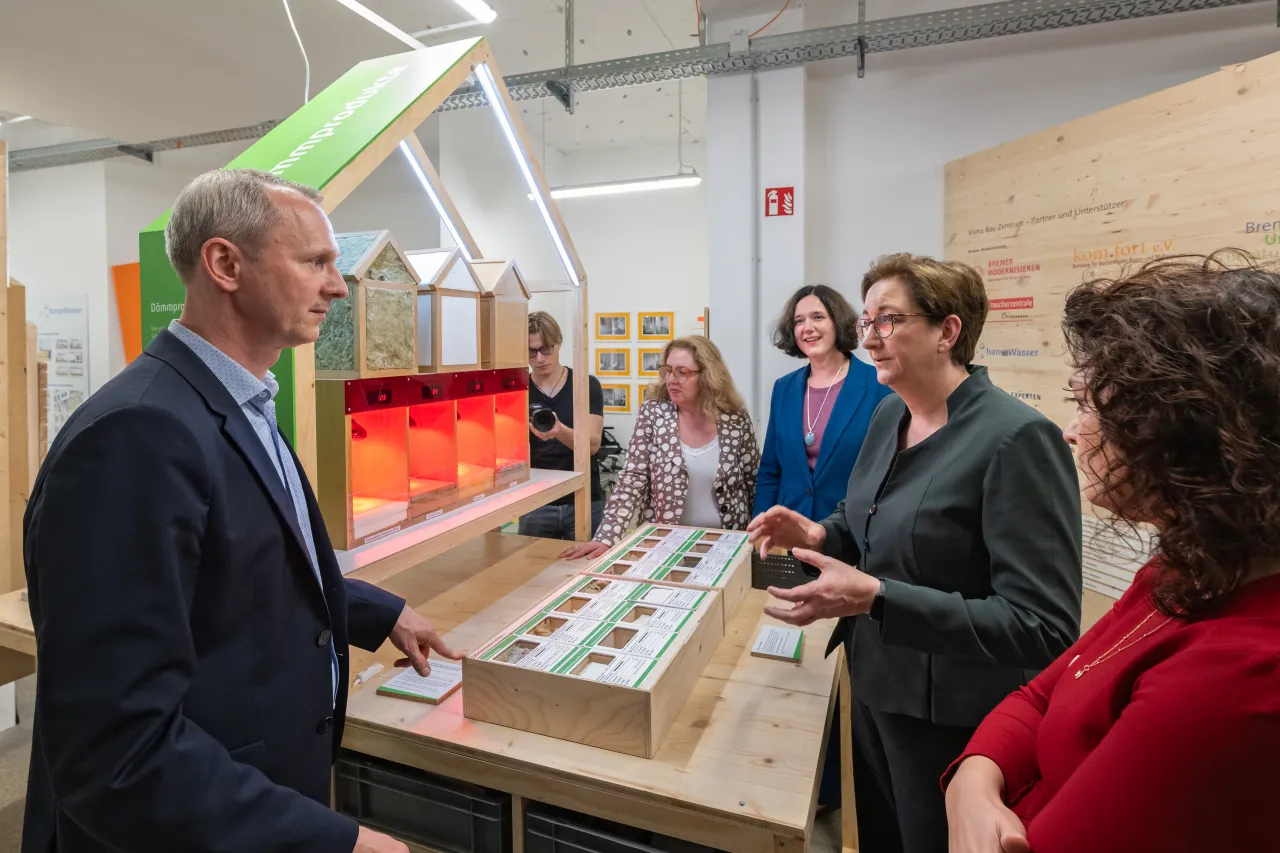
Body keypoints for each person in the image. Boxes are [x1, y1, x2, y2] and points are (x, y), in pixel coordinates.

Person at [22, 169, 461, 853]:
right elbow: (116, 750)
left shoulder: (237, 402)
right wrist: (331, 841)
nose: (338, 285)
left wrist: (377, 612)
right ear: (225, 263)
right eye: (315, 261)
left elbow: (239, 567)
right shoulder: (135, 436)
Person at [944, 252, 1280, 853]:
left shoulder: (1238, 676)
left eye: (1087, 403)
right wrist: (972, 778)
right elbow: (1044, 692)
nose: (1072, 429)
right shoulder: (1188, 567)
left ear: (1178, 429)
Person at [748, 253, 1082, 853]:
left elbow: (1043, 625)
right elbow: (863, 519)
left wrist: (877, 597)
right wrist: (820, 535)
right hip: (872, 683)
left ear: (948, 331)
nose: (871, 338)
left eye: (888, 321)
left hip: (952, 716)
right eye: (867, 322)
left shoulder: (1016, 438)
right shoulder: (888, 415)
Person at [563, 336, 759, 560]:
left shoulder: (735, 418)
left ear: (707, 375)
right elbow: (633, 479)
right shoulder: (654, 413)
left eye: (682, 372)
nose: (671, 379)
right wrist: (606, 537)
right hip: (667, 546)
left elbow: (754, 481)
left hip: (728, 545)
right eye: (667, 370)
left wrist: (760, 538)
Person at [756, 284, 893, 523]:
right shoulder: (783, 388)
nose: (807, 328)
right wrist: (761, 525)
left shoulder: (878, 386)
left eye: (818, 317)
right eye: (798, 321)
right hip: (789, 529)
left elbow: (889, 473)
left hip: (851, 532)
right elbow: (770, 469)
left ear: (837, 322)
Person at [518, 310, 605, 540]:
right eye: (532, 351)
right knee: (532, 570)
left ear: (559, 344)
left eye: (547, 349)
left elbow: (593, 444)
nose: (540, 358)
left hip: (583, 498)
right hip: (536, 501)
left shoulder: (586, 385)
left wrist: (560, 431)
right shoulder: (518, 391)